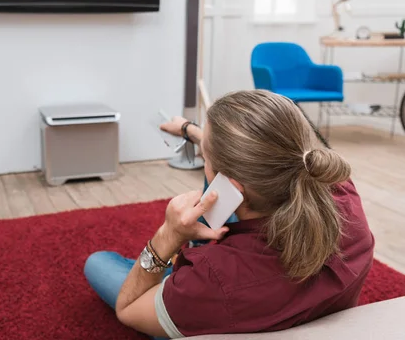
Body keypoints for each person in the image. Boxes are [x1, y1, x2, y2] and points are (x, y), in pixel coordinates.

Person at [84, 90, 374, 338]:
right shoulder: (337, 188)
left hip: (215, 305)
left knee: (97, 263)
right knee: (225, 182)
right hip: (277, 302)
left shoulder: (214, 280)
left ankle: (170, 269)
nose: (203, 161)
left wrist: (168, 236)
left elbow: (128, 308)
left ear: (233, 188)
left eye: (204, 158)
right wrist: (190, 130)